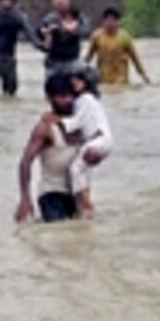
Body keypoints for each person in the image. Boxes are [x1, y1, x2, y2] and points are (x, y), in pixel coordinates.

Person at [43, 65, 113, 220]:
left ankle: (87, 205)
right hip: (97, 140)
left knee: (75, 168)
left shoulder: (86, 99)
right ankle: (84, 205)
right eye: (73, 80)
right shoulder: (83, 101)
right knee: (82, 170)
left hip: (98, 140)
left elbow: (77, 122)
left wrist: (57, 121)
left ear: (87, 83)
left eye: (78, 80)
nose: (74, 82)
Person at [15, 74, 81, 223]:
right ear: (50, 98)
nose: (67, 100)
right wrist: (25, 199)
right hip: (52, 194)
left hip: (78, 193)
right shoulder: (45, 128)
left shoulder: (81, 122)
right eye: (61, 96)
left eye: (70, 96)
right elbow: (25, 162)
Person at [85, 7, 151, 85]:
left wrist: (145, 77)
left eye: (112, 21)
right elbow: (88, 57)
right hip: (103, 79)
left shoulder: (124, 37)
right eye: (107, 20)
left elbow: (135, 59)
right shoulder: (96, 36)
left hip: (121, 79)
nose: (109, 23)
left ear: (118, 22)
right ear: (103, 21)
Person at [38, 0, 89, 77]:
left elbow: (85, 31)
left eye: (62, 2)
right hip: (54, 62)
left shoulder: (78, 18)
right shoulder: (49, 19)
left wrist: (71, 30)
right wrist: (46, 32)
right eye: (57, 3)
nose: (60, 5)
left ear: (68, 2)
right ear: (53, 4)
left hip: (72, 61)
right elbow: (39, 36)